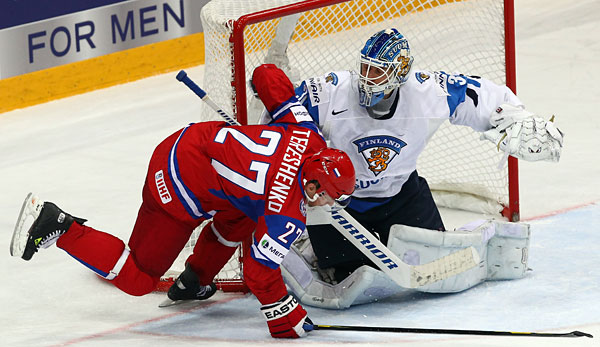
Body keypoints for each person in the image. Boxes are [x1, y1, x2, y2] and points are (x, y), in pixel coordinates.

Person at [9, 64, 356, 339]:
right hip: (177, 185)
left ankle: (195, 279)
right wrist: (286, 317)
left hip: (188, 141)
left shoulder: (306, 133)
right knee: (138, 279)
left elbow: (269, 77)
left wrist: (258, 80)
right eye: (326, 195)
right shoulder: (285, 214)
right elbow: (258, 271)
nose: (326, 203)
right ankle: (58, 225)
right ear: (312, 184)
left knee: (242, 216)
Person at [274, 28, 564, 307]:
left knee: (436, 268)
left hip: (402, 194)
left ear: (399, 73)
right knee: (348, 276)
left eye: (377, 72)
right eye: (364, 68)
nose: (366, 79)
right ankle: (312, 242)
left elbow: (476, 94)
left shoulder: (427, 91)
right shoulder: (330, 91)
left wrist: (516, 118)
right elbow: (282, 118)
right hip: (340, 203)